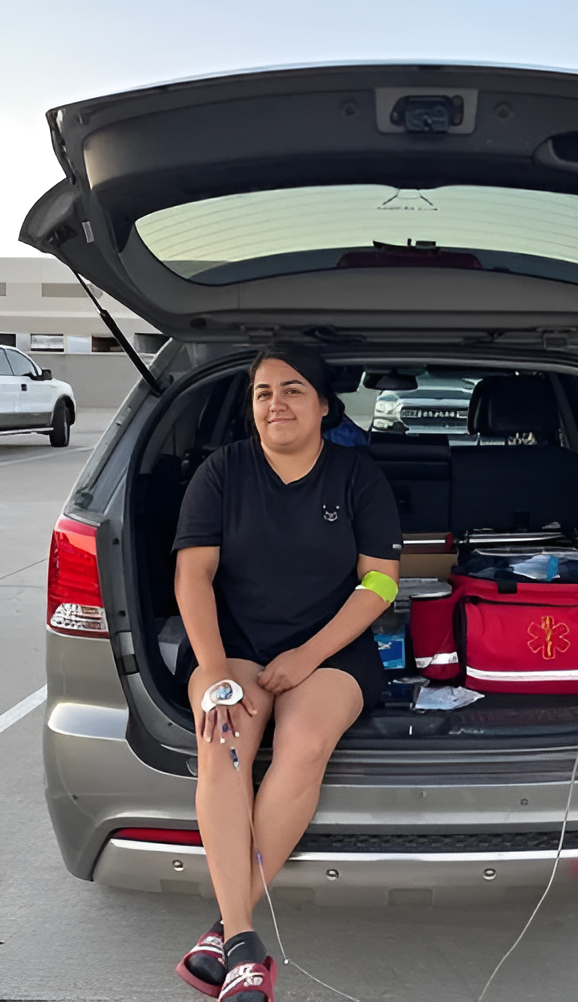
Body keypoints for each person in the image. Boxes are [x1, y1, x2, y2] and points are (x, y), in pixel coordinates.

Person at [172, 342, 401, 1001]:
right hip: (233, 643)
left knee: (302, 745)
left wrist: (310, 654)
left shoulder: (359, 477)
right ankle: (245, 941)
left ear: (326, 406)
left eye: (293, 389)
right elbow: (193, 577)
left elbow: (382, 586)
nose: (277, 403)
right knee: (223, 739)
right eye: (264, 392)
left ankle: (223, 930)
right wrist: (214, 671)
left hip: (332, 646)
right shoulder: (222, 472)